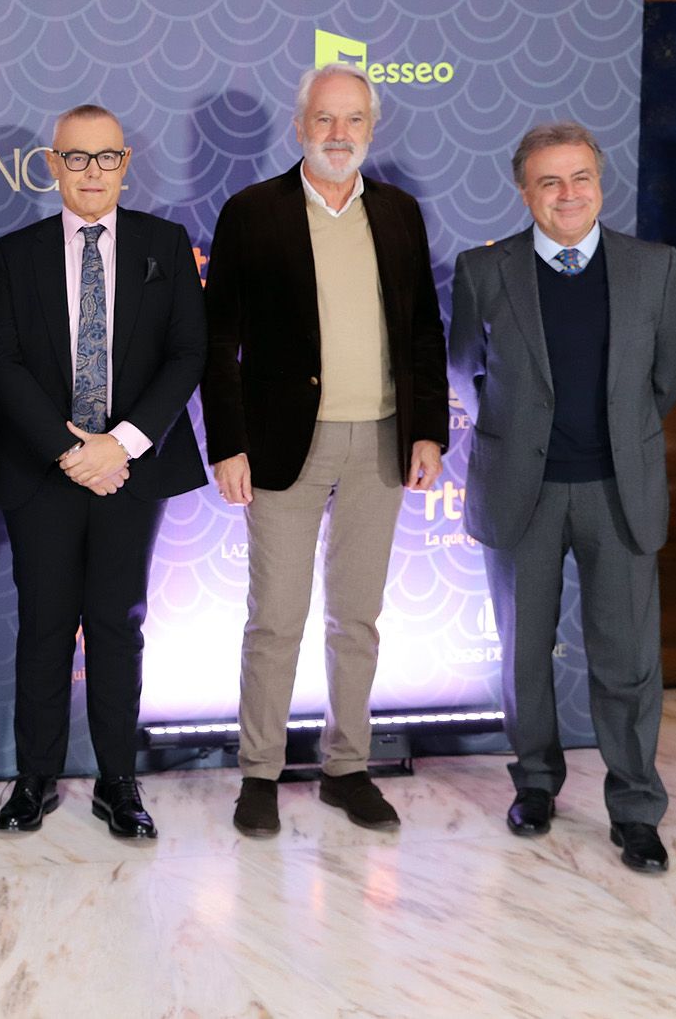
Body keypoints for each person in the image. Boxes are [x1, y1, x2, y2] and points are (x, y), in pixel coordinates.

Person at [202, 62, 447, 838]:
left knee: (358, 618)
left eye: (353, 120)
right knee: (276, 618)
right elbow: (218, 338)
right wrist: (228, 443)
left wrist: (428, 429)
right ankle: (260, 773)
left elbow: (424, 329)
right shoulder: (251, 212)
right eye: (325, 119)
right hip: (282, 446)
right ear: (299, 125)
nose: (339, 134)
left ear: (372, 129)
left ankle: (347, 768)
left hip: (380, 438)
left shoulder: (400, 212)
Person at [449, 121, 676, 873]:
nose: (568, 193)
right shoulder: (483, 270)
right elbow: (466, 369)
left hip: (620, 491)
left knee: (628, 660)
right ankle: (535, 782)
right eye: (549, 181)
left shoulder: (654, 266)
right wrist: (519, 433)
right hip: (523, 491)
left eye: (581, 177)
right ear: (525, 192)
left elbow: (667, 376)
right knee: (525, 654)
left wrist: (619, 437)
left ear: (600, 184)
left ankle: (635, 808)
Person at [0, 104, 207, 840]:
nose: (92, 172)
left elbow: (188, 353)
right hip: (42, 467)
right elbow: (1, 362)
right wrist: (70, 450)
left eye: (107, 157)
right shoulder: (14, 253)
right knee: (44, 624)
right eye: (76, 158)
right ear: (54, 166)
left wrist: (122, 445)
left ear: (125, 163)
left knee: (116, 624)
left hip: (131, 470)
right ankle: (34, 778)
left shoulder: (165, 245)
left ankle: (118, 781)